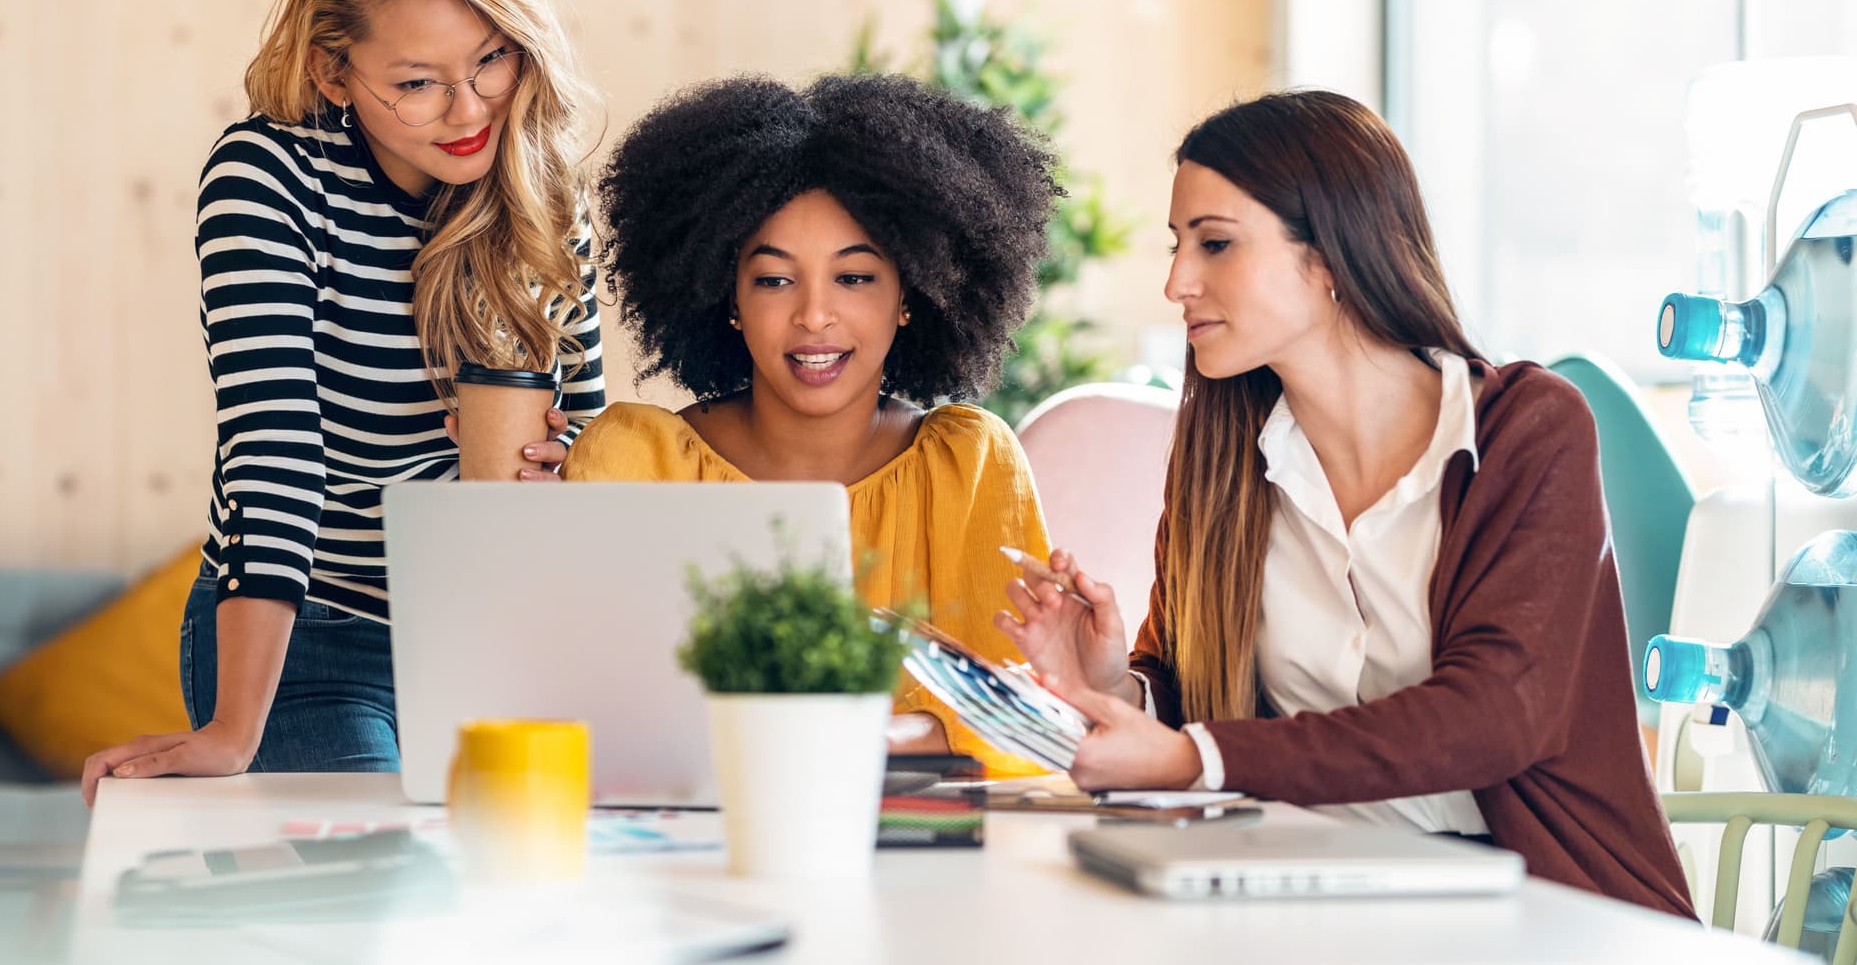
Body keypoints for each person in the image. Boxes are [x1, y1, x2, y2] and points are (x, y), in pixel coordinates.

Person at [999, 90, 1696, 916]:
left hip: (1544, 911)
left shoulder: (1527, 431)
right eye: (1178, 246)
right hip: (1305, 892)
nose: (1177, 281)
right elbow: (1201, 706)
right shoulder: (1221, 461)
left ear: (1330, 255)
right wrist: (1118, 688)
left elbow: (1498, 715)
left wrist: (1197, 759)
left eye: (1215, 244)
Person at [81, 0, 603, 803]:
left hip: (492, 637)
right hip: (314, 632)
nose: (469, 106)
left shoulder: (545, 198)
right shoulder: (269, 176)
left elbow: (598, 448)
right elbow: (273, 450)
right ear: (333, 74)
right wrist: (235, 732)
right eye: (415, 82)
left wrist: (567, 468)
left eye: (491, 60)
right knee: (371, 913)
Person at [563, 73, 1061, 772]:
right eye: (773, 279)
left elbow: (1021, 729)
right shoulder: (637, 461)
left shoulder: (969, 465)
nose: (814, 315)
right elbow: (578, 706)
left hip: (921, 864)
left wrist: (842, 748)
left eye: (854, 278)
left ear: (909, 296)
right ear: (727, 297)